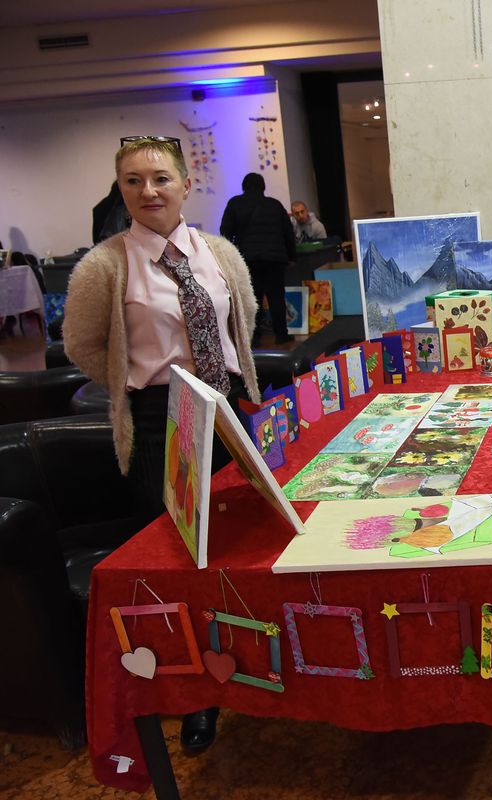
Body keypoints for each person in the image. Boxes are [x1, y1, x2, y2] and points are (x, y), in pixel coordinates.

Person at [63, 135, 260, 755]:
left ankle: (254, 664)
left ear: (185, 185)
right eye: (133, 181)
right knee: (179, 559)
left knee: (238, 544)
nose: (148, 191)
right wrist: (134, 381)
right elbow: (80, 344)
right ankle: (196, 694)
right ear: (120, 190)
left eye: (160, 178)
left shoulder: (219, 252)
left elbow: (244, 317)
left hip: (227, 411)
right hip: (160, 422)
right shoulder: (104, 266)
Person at [220, 173, 296, 345]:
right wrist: (292, 256)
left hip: (248, 259)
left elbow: (225, 231)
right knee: (276, 297)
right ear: (263, 187)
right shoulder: (275, 205)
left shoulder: (235, 203)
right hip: (275, 259)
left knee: (253, 298)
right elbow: (288, 233)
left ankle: (254, 337)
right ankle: (281, 334)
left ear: (243, 187)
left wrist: (232, 253)